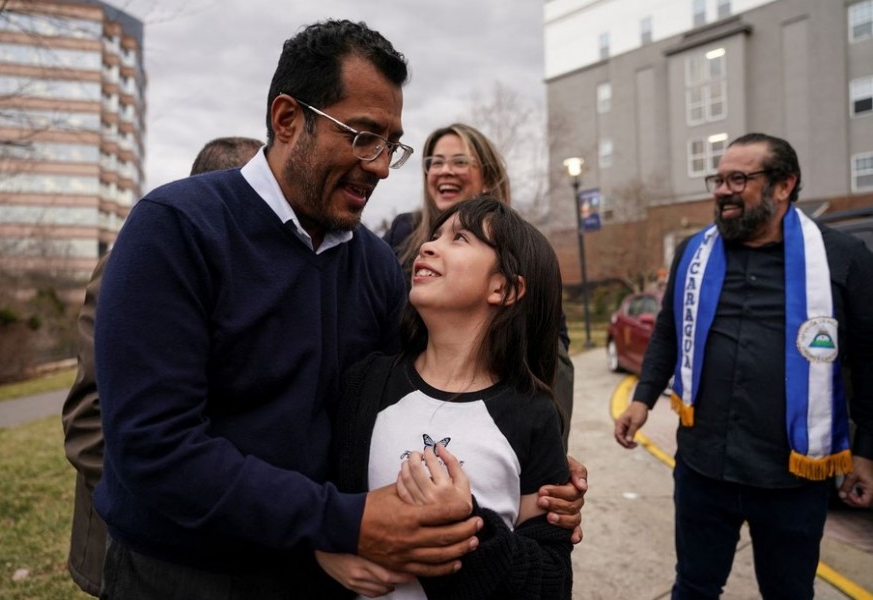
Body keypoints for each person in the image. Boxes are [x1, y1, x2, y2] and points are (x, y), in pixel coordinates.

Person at [90, 20, 584, 599]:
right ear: (287, 120)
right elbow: (155, 447)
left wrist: (530, 472)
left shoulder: (374, 266)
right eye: (362, 135)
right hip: (182, 575)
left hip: (323, 576)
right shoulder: (176, 229)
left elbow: (424, 397)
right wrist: (339, 525)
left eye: (391, 145)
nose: (379, 165)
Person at [613, 133, 873, 600]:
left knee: (789, 593)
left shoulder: (843, 259)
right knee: (693, 587)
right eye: (719, 179)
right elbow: (669, 333)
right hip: (703, 467)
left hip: (793, 477)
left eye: (739, 179)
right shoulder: (693, 253)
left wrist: (867, 453)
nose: (721, 190)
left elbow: (872, 362)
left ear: (783, 185)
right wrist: (641, 399)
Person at [320, 197, 572, 599]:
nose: (428, 245)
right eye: (434, 235)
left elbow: (551, 582)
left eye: (460, 238)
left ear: (503, 288)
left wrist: (463, 525)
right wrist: (324, 546)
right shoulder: (364, 384)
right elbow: (321, 495)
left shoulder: (533, 414)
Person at [61, 135, 264, 596]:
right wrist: (160, 502)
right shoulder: (134, 263)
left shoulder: (249, 265)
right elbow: (88, 415)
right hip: (139, 551)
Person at [383, 123, 577, 448]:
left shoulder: (524, 248)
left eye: (460, 162)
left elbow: (552, 344)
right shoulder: (404, 232)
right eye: (435, 162)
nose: (445, 170)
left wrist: (547, 453)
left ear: (487, 177)